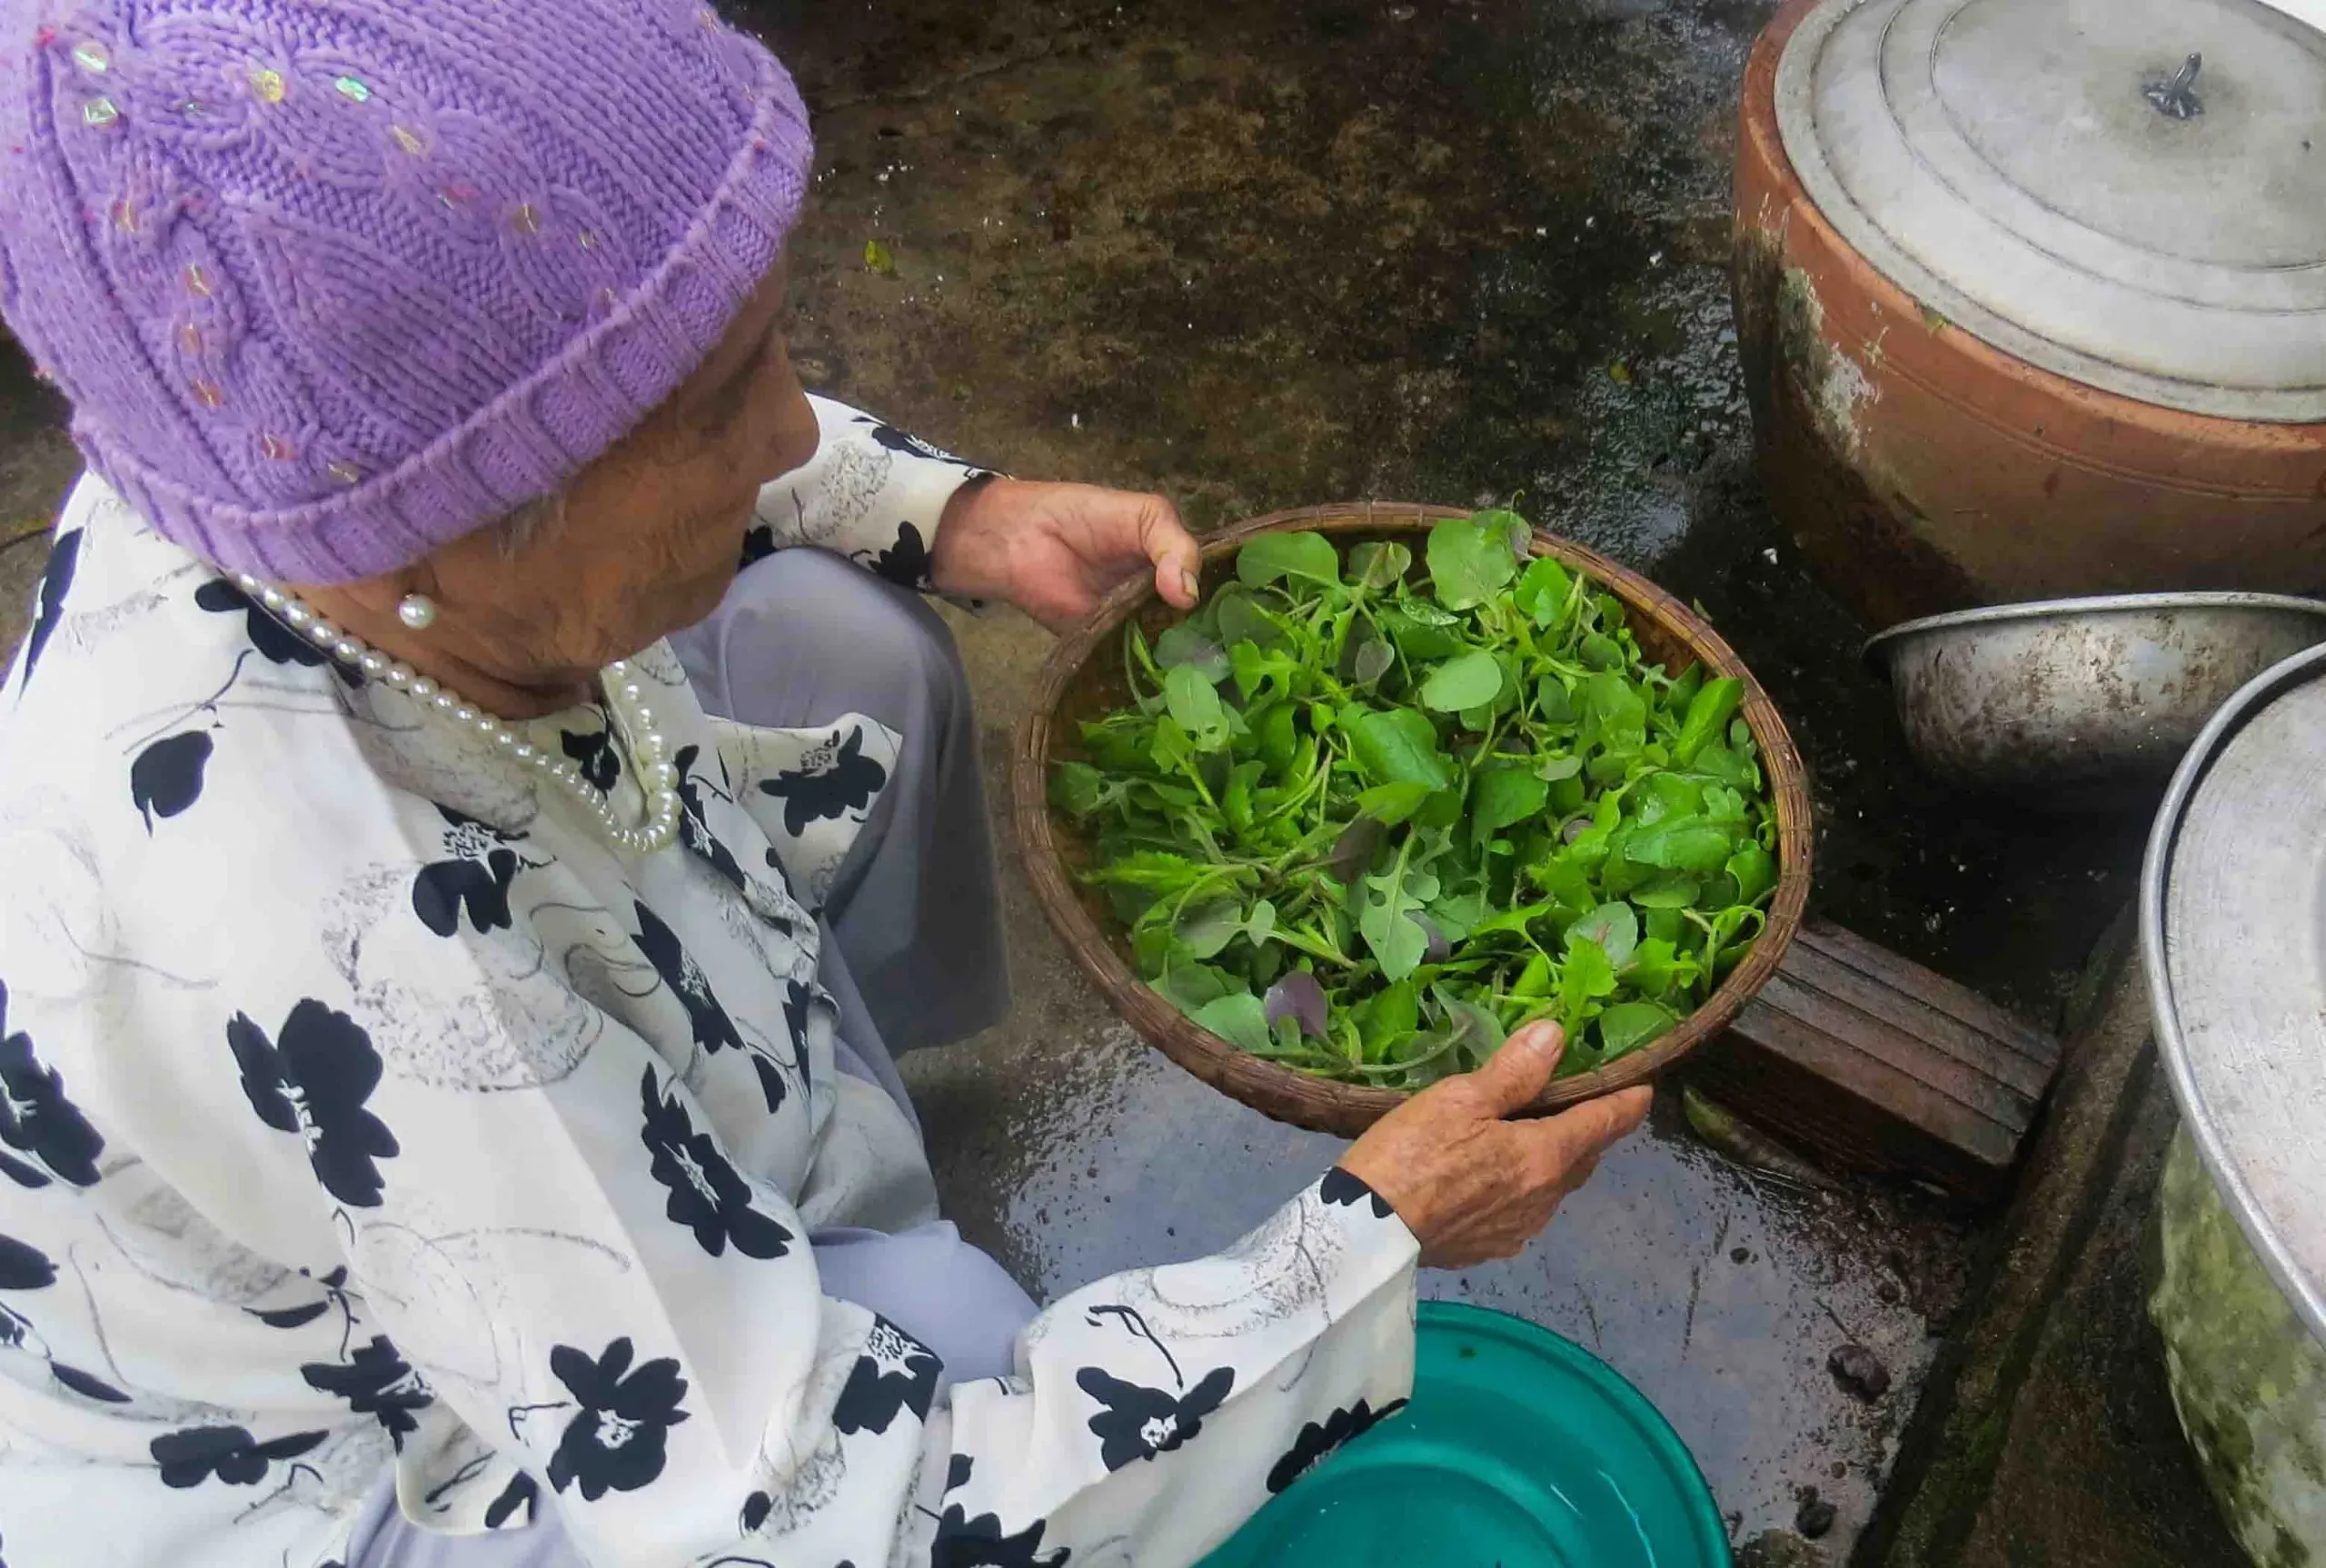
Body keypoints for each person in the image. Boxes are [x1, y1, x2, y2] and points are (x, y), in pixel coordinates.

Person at [0, 1, 1652, 1564]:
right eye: (731, 406)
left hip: (559, 970)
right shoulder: (369, 956)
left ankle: (850, 1163)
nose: (795, 433)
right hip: (378, 1423)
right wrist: (1363, 1244)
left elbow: (595, 375)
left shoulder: (271, 425)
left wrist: (952, 511)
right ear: (449, 519)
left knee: (850, 651)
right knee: (953, 1341)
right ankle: (851, 1244)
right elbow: (821, 1521)